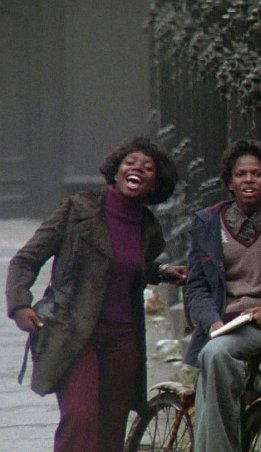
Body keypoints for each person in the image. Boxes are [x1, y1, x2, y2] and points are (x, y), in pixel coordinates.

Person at [5, 136, 184, 452]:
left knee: (111, 426)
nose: (137, 170)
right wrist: (20, 304)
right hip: (73, 331)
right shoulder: (78, 208)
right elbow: (26, 259)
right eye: (130, 163)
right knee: (81, 416)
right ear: (117, 170)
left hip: (123, 339)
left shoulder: (148, 227)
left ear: (156, 183)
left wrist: (163, 272)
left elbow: (129, 266)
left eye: (147, 168)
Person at [183, 139, 261, 451]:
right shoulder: (207, 222)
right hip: (224, 324)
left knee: (215, 354)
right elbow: (197, 286)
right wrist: (212, 321)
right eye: (241, 174)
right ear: (230, 183)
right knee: (214, 352)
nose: (249, 180)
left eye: (257, 174)